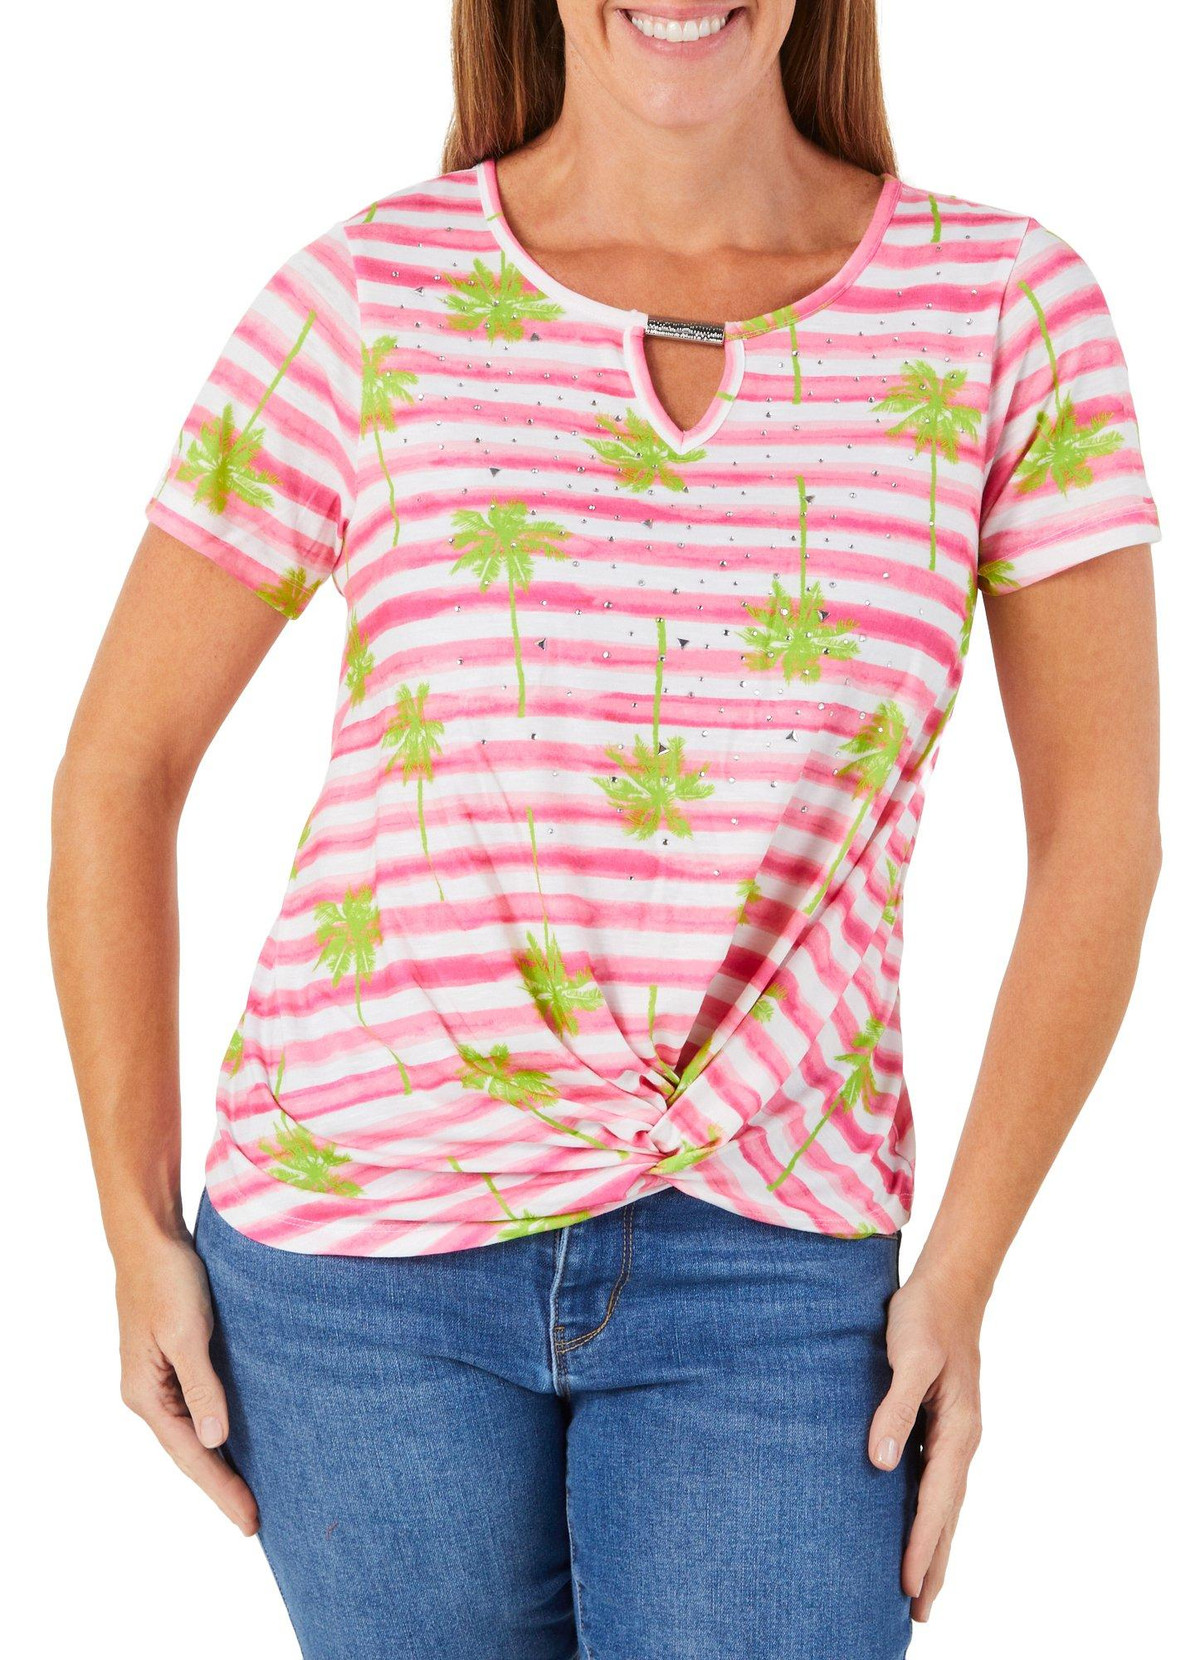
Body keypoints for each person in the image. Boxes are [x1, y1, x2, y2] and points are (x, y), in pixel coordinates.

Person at [47, 2, 1162, 1656]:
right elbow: (120, 766)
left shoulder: (1004, 310)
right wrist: (133, 1229)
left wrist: (964, 1270)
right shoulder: (366, 298)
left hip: (775, 1257)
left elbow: (1104, 834)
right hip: (357, 1261)